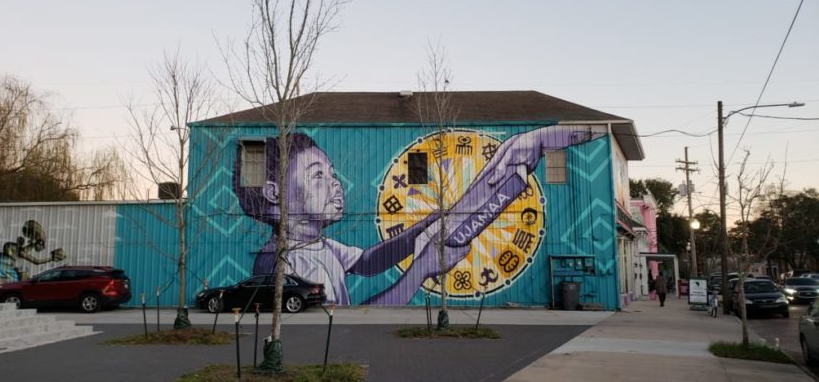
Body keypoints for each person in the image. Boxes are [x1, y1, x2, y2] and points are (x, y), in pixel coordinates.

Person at [233, 127, 599, 305]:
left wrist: (418, 230)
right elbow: (356, 315)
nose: (337, 185)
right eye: (318, 177)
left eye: (332, 173)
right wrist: (420, 270)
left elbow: (366, 261)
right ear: (275, 195)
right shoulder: (286, 262)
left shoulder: (317, 244)